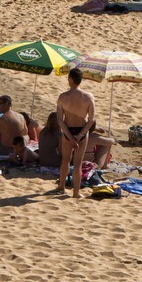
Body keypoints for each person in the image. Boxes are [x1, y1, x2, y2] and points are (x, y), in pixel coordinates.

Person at [55, 68, 96, 197]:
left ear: (71, 79)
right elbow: (91, 120)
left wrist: (70, 137)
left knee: (65, 160)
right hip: (81, 131)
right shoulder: (88, 97)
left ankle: (61, 186)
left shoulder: (63, 97)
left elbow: (60, 120)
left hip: (68, 130)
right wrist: (79, 136)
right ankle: (76, 192)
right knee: (78, 164)